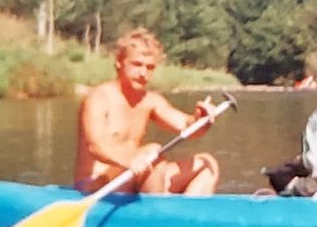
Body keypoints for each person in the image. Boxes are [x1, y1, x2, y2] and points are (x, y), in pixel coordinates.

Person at [74, 28, 219, 195]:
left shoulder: (151, 100)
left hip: (135, 176)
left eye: (149, 67)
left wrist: (202, 120)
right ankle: (157, 210)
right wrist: (129, 160)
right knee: (153, 153)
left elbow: (188, 126)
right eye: (136, 64)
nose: (143, 73)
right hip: (97, 185)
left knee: (207, 163)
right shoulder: (99, 97)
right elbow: (96, 146)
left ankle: (184, 216)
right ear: (119, 62)